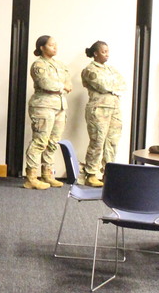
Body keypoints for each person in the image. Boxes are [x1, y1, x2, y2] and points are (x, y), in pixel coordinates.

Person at [24, 35, 71, 190]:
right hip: (43, 106)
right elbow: (45, 83)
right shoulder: (38, 64)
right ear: (42, 48)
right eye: (51, 45)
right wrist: (62, 86)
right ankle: (31, 176)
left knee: (52, 142)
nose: (55, 47)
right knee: (40, 141)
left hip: (59, 106)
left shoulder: (60, 65)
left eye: (55, 45)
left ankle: (47, 174)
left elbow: (68, 82)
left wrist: (64, 85)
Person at [80, 40, 126, 187]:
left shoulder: (110, 69)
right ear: (95, 53)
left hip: (114, 108)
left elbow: (122, 83)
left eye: (107, 51)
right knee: (97, 142)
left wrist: (112, 86)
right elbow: (103, 85)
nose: (107, 54)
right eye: (103, 51)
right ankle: (91, 174)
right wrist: (112, 86)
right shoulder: (90, 69)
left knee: (112, 142)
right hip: (99, 109)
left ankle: (108, 172)